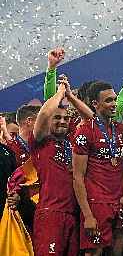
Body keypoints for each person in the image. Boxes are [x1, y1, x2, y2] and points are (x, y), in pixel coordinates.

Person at [30, 75, 92, 256]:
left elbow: (90, 119)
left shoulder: (72, 140)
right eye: (57, 117)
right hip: (50, 214)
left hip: (73, 214)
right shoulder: (41, 142)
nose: (62, 121)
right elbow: (43, 114)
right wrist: (59, 93)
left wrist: (71, 97)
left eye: (66, 118)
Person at [72, 81, 123, 256]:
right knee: (94, 252)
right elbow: (77, 176)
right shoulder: (84, 132)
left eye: (114, 99)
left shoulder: (121, 130)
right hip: (96, 203)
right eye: (108, 101)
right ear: (95, 104)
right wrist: (88, 215)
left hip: (120, 201)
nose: (113, 104)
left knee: (118, 251)